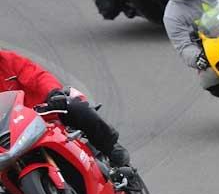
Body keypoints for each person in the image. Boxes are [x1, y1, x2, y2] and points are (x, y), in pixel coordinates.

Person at [0, 50, 129, 167]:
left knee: (77, 109)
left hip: (45, 112)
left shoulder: (7, 60)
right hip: (10, 137)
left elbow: (37, 76)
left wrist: (53, 94)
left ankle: (111, 149)